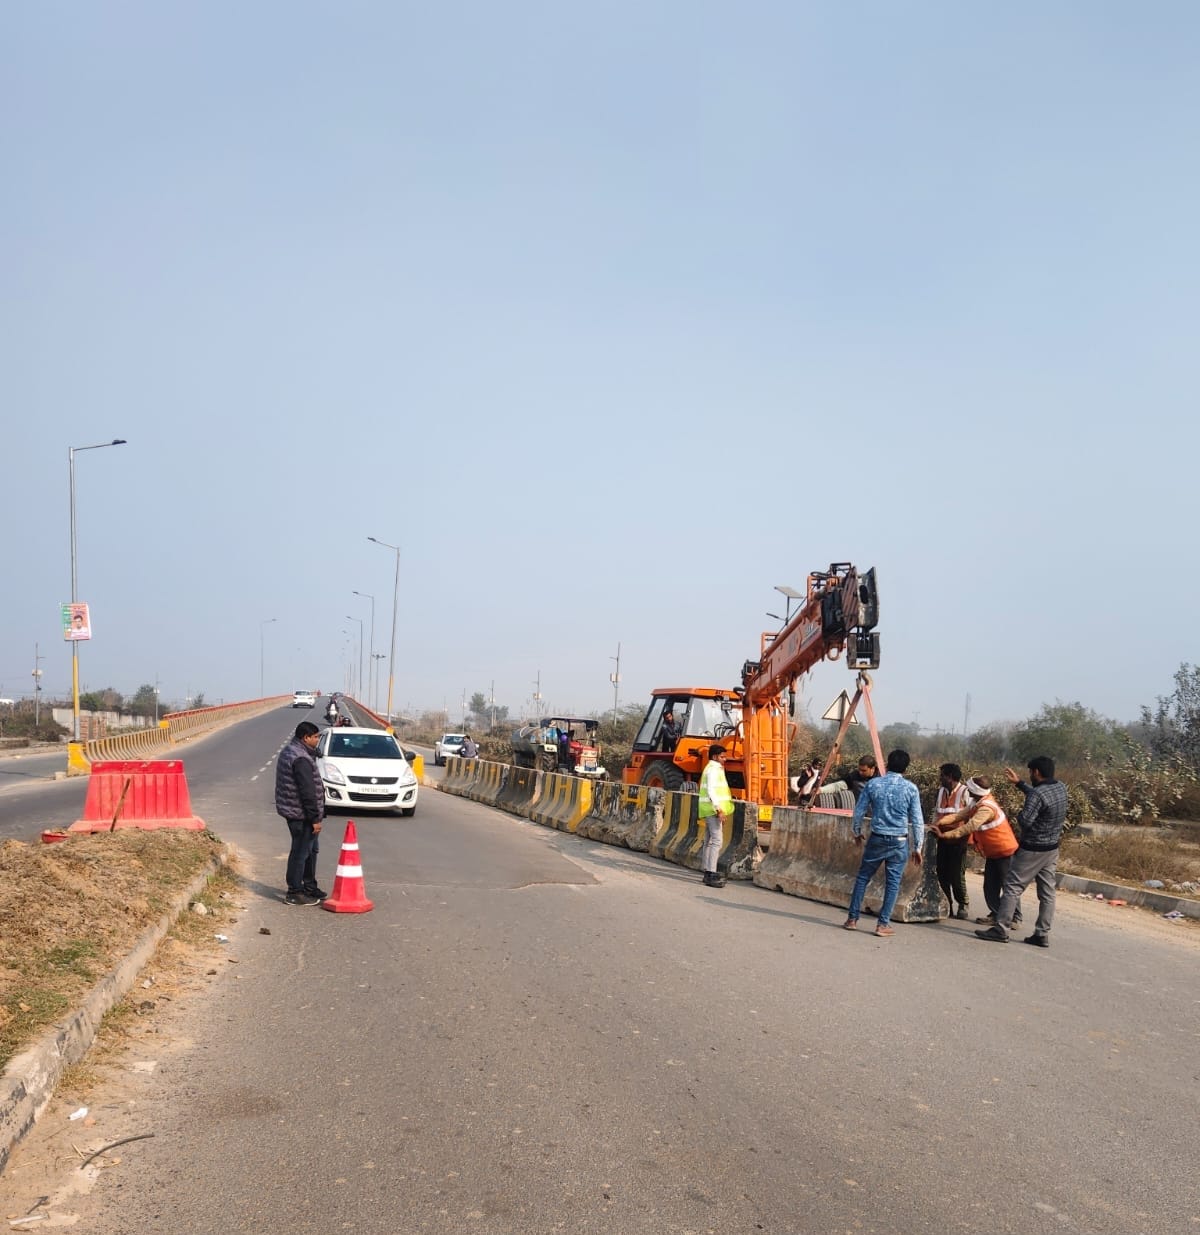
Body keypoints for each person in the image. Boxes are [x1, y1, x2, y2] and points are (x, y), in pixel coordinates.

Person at [975, 756, 1068, 948]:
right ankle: (1042, 934)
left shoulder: (1037, 795)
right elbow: (1040, 797)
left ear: (1036, 772)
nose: (1029, 776)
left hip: (1032, 849)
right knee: (1047, 893)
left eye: (1030, 773)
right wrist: (1020, 784)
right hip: (1051, 849)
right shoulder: (1060, 787)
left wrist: (1018, 812)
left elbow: (1025, 819)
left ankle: (1001, 929)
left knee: (1012, 887)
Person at [843, 749, 925, 938]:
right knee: (893, 883)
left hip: (877, 838)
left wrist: (856, 831)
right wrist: (918, 847)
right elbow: (917, 820)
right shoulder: (911, 789)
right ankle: (882, 925)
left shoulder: (873, 784)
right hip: (899, 841)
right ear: (906, 768)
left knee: (863, 877)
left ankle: (852, 919)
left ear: (886, 764)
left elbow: (859, 810)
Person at [935, 775, 1022, 927]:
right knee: (990, 885)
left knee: (1007, 885)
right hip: (993, 851)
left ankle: (1014, 917)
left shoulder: (986, 808)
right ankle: (996, 913)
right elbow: (960, 815)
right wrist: (940, 822)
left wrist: (945, 834)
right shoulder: (977, 802)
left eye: (969, 789)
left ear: (975, 791)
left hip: (1004, 850)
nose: (967, 790)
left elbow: (969, 827)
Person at [274, 720, 326, 906]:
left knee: (311, 850)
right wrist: (315, 819)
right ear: (306, 738)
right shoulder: (301, 758)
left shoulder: (294, 751)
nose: (318, 740)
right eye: (315, 737)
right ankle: (294, 891)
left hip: (297, 811)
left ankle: (309, 886)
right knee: (300, 852)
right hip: (301, 814)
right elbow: (307, 792)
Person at [933, 763, 972, 919]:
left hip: (958, 840)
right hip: (942, 839)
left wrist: (964, 837)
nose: (940, 778)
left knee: (957, 875)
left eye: (942, 775)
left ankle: (963, 903)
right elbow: (937, 814)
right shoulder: (941, 791)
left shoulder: (965, 792)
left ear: (949, 777)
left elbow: (970, 816)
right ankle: (946, 903)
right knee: (942, 873)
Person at [698, 744, 733, 889]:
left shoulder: (711, 768)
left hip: (708, 808)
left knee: (709, 840)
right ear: (714, 757)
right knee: (717, 841)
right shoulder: (713, 770)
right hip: (713, 809)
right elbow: (712, 791)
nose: (725, 759)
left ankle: (706, 870)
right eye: (722, 756)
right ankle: (710, 873)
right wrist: (719, 809)